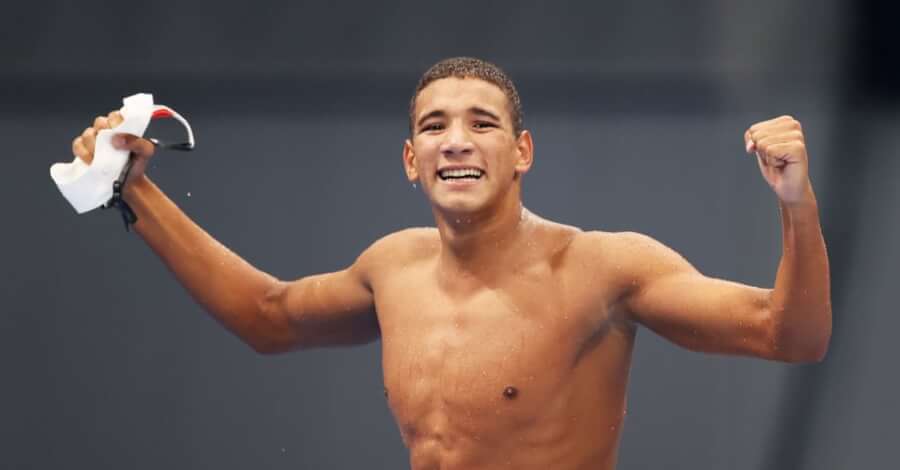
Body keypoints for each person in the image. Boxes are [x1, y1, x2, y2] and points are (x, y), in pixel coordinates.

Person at [70, 57, 831, 470]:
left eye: (483, 124)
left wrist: (796, 204)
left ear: (522, 152)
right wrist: (137, 192)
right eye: (434, 127)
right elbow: (267, 319)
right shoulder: (392, 267)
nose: (457, 141)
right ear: (411, 160)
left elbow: (789, 335)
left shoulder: (604, 268)